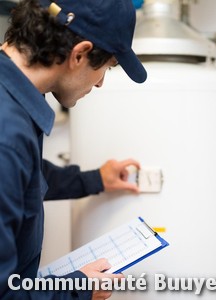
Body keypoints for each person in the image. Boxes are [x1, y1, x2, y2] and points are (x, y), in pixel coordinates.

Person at [0, 0, 147, 299]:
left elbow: (24, 180)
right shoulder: (7, 136)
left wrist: (94, 180)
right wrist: (77, 289)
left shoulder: (13, 105)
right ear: (79, 54)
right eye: (106, 67)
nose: (101, 82)